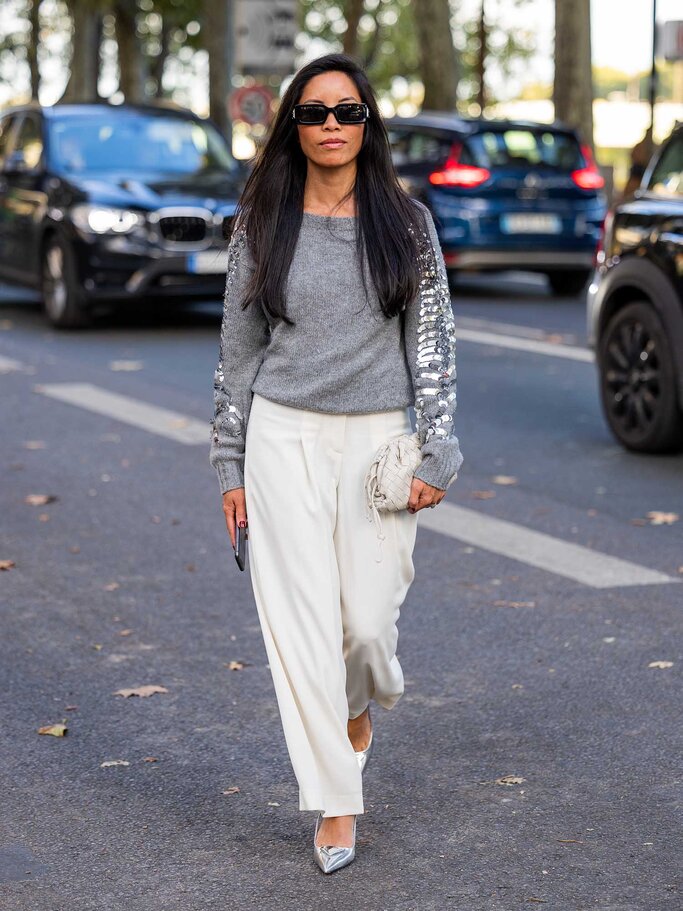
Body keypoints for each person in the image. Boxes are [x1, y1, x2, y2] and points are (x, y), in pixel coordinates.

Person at [209, 52, 463, 874]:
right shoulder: (262, 218)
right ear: (291, 124)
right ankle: (336, 802)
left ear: (367, 124)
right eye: (313, 113)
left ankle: (356, 709)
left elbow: (432, 343)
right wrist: (229, 463)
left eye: (346, 113)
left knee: (364, 630)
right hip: (281, 438)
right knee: (301, 632)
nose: (329, 127)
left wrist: (439, 445)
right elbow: (237, 352)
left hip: (377, 444)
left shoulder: (405, 221)